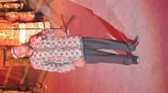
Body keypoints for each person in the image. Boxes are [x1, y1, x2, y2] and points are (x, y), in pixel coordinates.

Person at [10, 27, 138, 70]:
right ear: (22, 56)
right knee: (107, 57)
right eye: (19, 50)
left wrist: (39, 34)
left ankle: (129, 46)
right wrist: (73, 65)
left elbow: (50, 32)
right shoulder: (36, 63)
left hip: (76, 42)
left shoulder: (34, 41)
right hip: (77, 57)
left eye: (19, 46)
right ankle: (130, 60)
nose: (21, 47)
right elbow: (56, 68)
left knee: (105, 43)